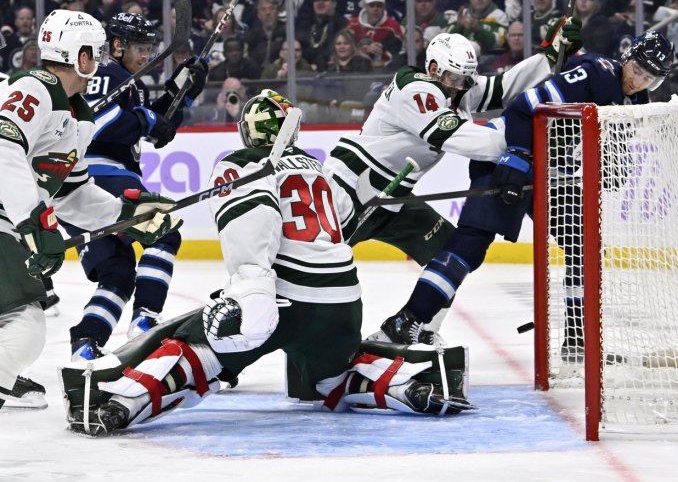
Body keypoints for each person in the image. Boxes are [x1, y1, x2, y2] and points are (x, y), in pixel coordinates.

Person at [59, 90, 473, 436]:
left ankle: (120, 402)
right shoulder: (317, 169)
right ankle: (414, 383)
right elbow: (338, 227)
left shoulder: (243, 162)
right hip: (343, 305)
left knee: (194, 349)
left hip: (283, 302)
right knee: (333, 378)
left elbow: (255, 221)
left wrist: (250, 288)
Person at [380, 31, 675, 356]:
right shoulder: (596, 74)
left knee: (584, 245)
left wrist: (616, 163)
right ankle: (407, 319)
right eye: (637, 70)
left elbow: (611, 146)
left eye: (649, 78)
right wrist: (518, 154)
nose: (638, 81)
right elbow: (525, 107)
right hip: (507, 155)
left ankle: (578, 341)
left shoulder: (637, 102)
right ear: (626, 58)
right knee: (472, 244)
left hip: (553, 173)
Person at [323, 20, 583, 342]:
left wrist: (549, 55)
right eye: (454, 79)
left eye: (465, 80)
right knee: (319, 266)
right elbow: (462, 138)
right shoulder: (414, 89)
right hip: (350, 189)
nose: (460, 87)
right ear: (433, 68)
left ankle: (418, 332)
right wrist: (527, 142)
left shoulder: (457, 86)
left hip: (392, 199)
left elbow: (503, 86)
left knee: (448, 251)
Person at [0, 9, 180, 410]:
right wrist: (33, 221)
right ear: (79, 55)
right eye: (96, 52)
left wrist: (126, 217)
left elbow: (72, 192)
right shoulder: (35, 88)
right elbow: (3, 148)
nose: (100, 61)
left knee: (23, 326)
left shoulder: (78, 116)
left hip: (7, 224)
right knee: (23, 326)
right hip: (7, 221)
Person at [61, 12, 207, 362]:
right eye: (139, 47)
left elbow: (154, 128)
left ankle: (86, 343)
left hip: (79, 194)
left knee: (118, 273)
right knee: (163, 230)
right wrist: (147, 119)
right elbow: (97, 122)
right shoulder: (106, 72)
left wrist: (180, 93)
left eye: (149, 48)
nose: (146, 55)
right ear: (116, 45)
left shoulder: (128, 82)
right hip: (99, 179)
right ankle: (145, 320)